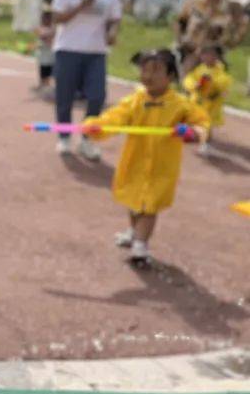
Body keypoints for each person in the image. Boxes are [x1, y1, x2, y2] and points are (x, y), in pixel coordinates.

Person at [82, 49, 208, 266]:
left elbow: (201, 122)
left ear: (170, 77)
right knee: (133, 201)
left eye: (156, 70)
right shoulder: (134, 100)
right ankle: (133, 230)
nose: (148, 75)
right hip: (135, 162)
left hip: (162, 167)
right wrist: (97, 127)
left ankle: (140, 247)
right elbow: (115, 118)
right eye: (145, 70)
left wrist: (193, 132)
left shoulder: (180, 104)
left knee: (150, 206)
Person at [51, 0, 123, 160]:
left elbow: (115, 18)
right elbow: (57, 18)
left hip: (96, 52)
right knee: (65, 96)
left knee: (97, 96)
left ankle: (87, 140)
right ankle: (64, 138)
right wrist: (82, 6)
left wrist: (112, 32)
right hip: (68, 50)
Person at [175, 0, 248, 72]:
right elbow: (180, 23)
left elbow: (235, 36)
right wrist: (181, 40)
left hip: (215, 51)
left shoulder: (231, 7)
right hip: (190, 46)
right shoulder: (193, 2)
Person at [182, 44, 231, 156]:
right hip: (197, 101)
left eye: (211, 54)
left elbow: (223, 83)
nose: (207, 57)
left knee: (207, 124)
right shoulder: (199, 69)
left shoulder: (220, 70)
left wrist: (212, 83)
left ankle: (205, 143)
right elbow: (189, 80)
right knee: (194, 120)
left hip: (212, 103)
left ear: (218, 56)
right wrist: (194, 85)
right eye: (205, 54)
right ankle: (194, 136)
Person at [34, 4, 56, 93]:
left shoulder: (53, 29)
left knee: (50, 69)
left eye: (48, 19)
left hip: (51, 55)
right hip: (43, 55)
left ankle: (47, 83)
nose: (46, 20)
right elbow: (42, 35)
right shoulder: (41, 29)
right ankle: (43, 83)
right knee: (43, 69)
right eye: (44, 18)